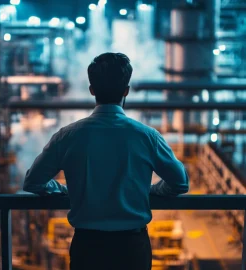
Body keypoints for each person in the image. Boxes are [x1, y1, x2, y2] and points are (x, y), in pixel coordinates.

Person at [23, 52, 189, 270]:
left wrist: (63, 190)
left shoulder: (68, 136)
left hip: (88, 246)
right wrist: (153, 190)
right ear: (126, 91)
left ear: (92, 90)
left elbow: (33, 182)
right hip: (132, 247)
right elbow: (180, 183)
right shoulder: (147, 136)